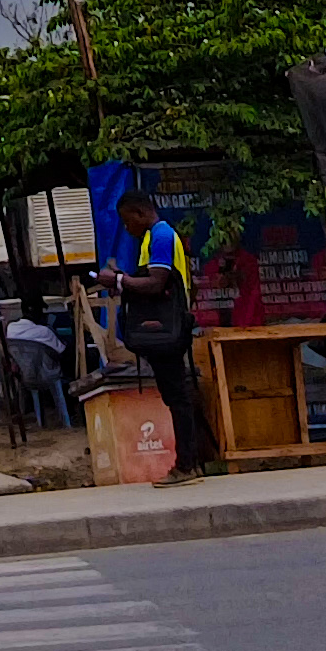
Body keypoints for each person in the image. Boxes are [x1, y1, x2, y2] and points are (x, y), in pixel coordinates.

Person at [117, 191, 218, 471]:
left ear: (140, 213)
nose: (127, 228)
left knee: (178, 396)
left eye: (128, 222)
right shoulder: (152, 237)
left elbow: (156, 283)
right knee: (176, 394)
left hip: (168, 327)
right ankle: (191, 460)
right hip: (169, 324)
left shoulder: (160, 236)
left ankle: (187, 464)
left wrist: (119, 281)